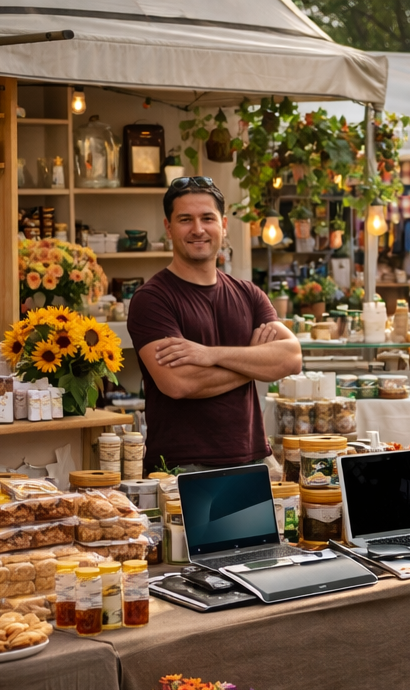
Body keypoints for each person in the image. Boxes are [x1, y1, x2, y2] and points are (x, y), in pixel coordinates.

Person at [128, 178, 302, 475]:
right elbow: (179, 383)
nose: (198, 229)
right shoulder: (152, 299)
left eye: (207, 218)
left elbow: (292, 358)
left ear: (223, 225)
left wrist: (211, 355)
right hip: (183, 467)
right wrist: (254, 361)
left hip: (253, 459)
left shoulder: (249, 294)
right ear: (168, 228)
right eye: (185, 219)